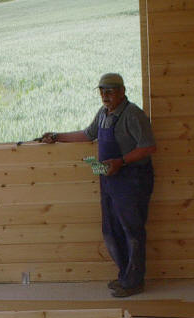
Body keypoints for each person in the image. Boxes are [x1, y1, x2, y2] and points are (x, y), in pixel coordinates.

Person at [42, 73, 156, 297]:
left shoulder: (133, 114)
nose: (105, 95)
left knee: (132, 231)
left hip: (133, 180)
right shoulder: (103, 114)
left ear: (122, 92)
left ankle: (134, 281)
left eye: (109, 91)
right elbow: (87, 134)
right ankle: (125, 276)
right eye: (102, 91)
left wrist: (121, 161)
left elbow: (149, 147)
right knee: (111, 230)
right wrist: (56, 136)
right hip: (110, 180)